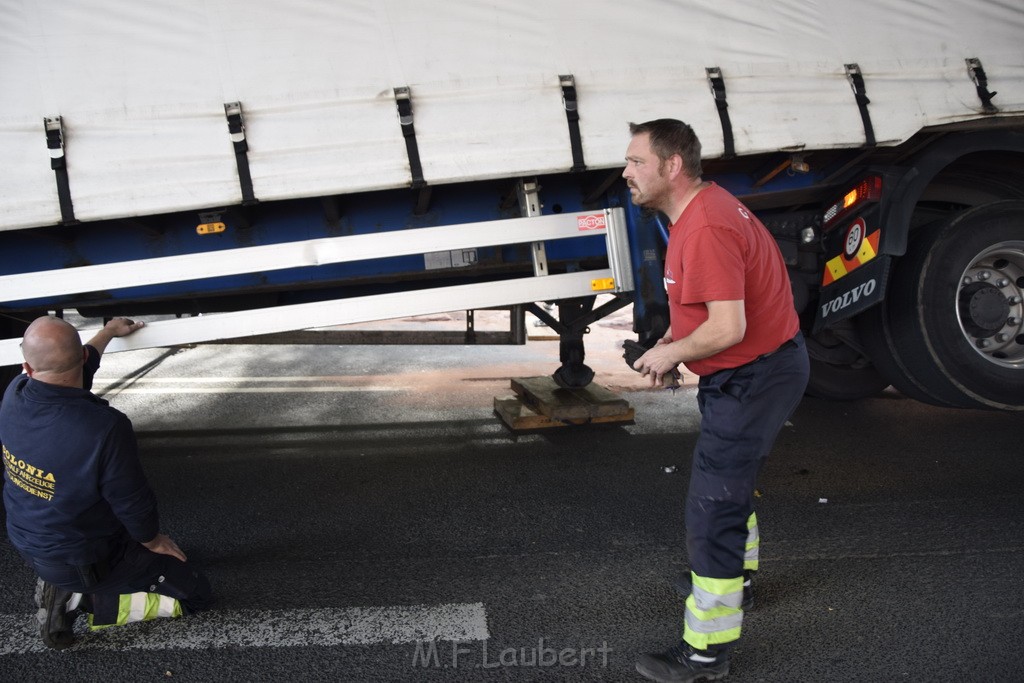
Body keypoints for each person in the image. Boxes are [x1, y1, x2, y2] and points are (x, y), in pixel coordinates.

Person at [623, 119, 809, 682]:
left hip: (753, 376)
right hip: (755, 372)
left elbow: (728, 327)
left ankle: (706, 653)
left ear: (672, 166)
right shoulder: (700, 211)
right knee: (729, 487)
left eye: (635, 162)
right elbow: (711, 312)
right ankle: (740, 578)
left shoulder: (703, 226)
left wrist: (667, 355)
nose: (626, 172)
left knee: (712, 511)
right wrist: (672, 341)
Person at [1, 315, 213, 649]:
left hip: (28, 540)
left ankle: (68, 582)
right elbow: (132, 501)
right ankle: (83, 601)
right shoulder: (104, 428)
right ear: (82, 358)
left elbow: (71, 369)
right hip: (85, 558)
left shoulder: (15, 392)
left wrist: (109, 332)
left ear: (27, 367)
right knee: (197, 594)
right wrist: (152, 540)